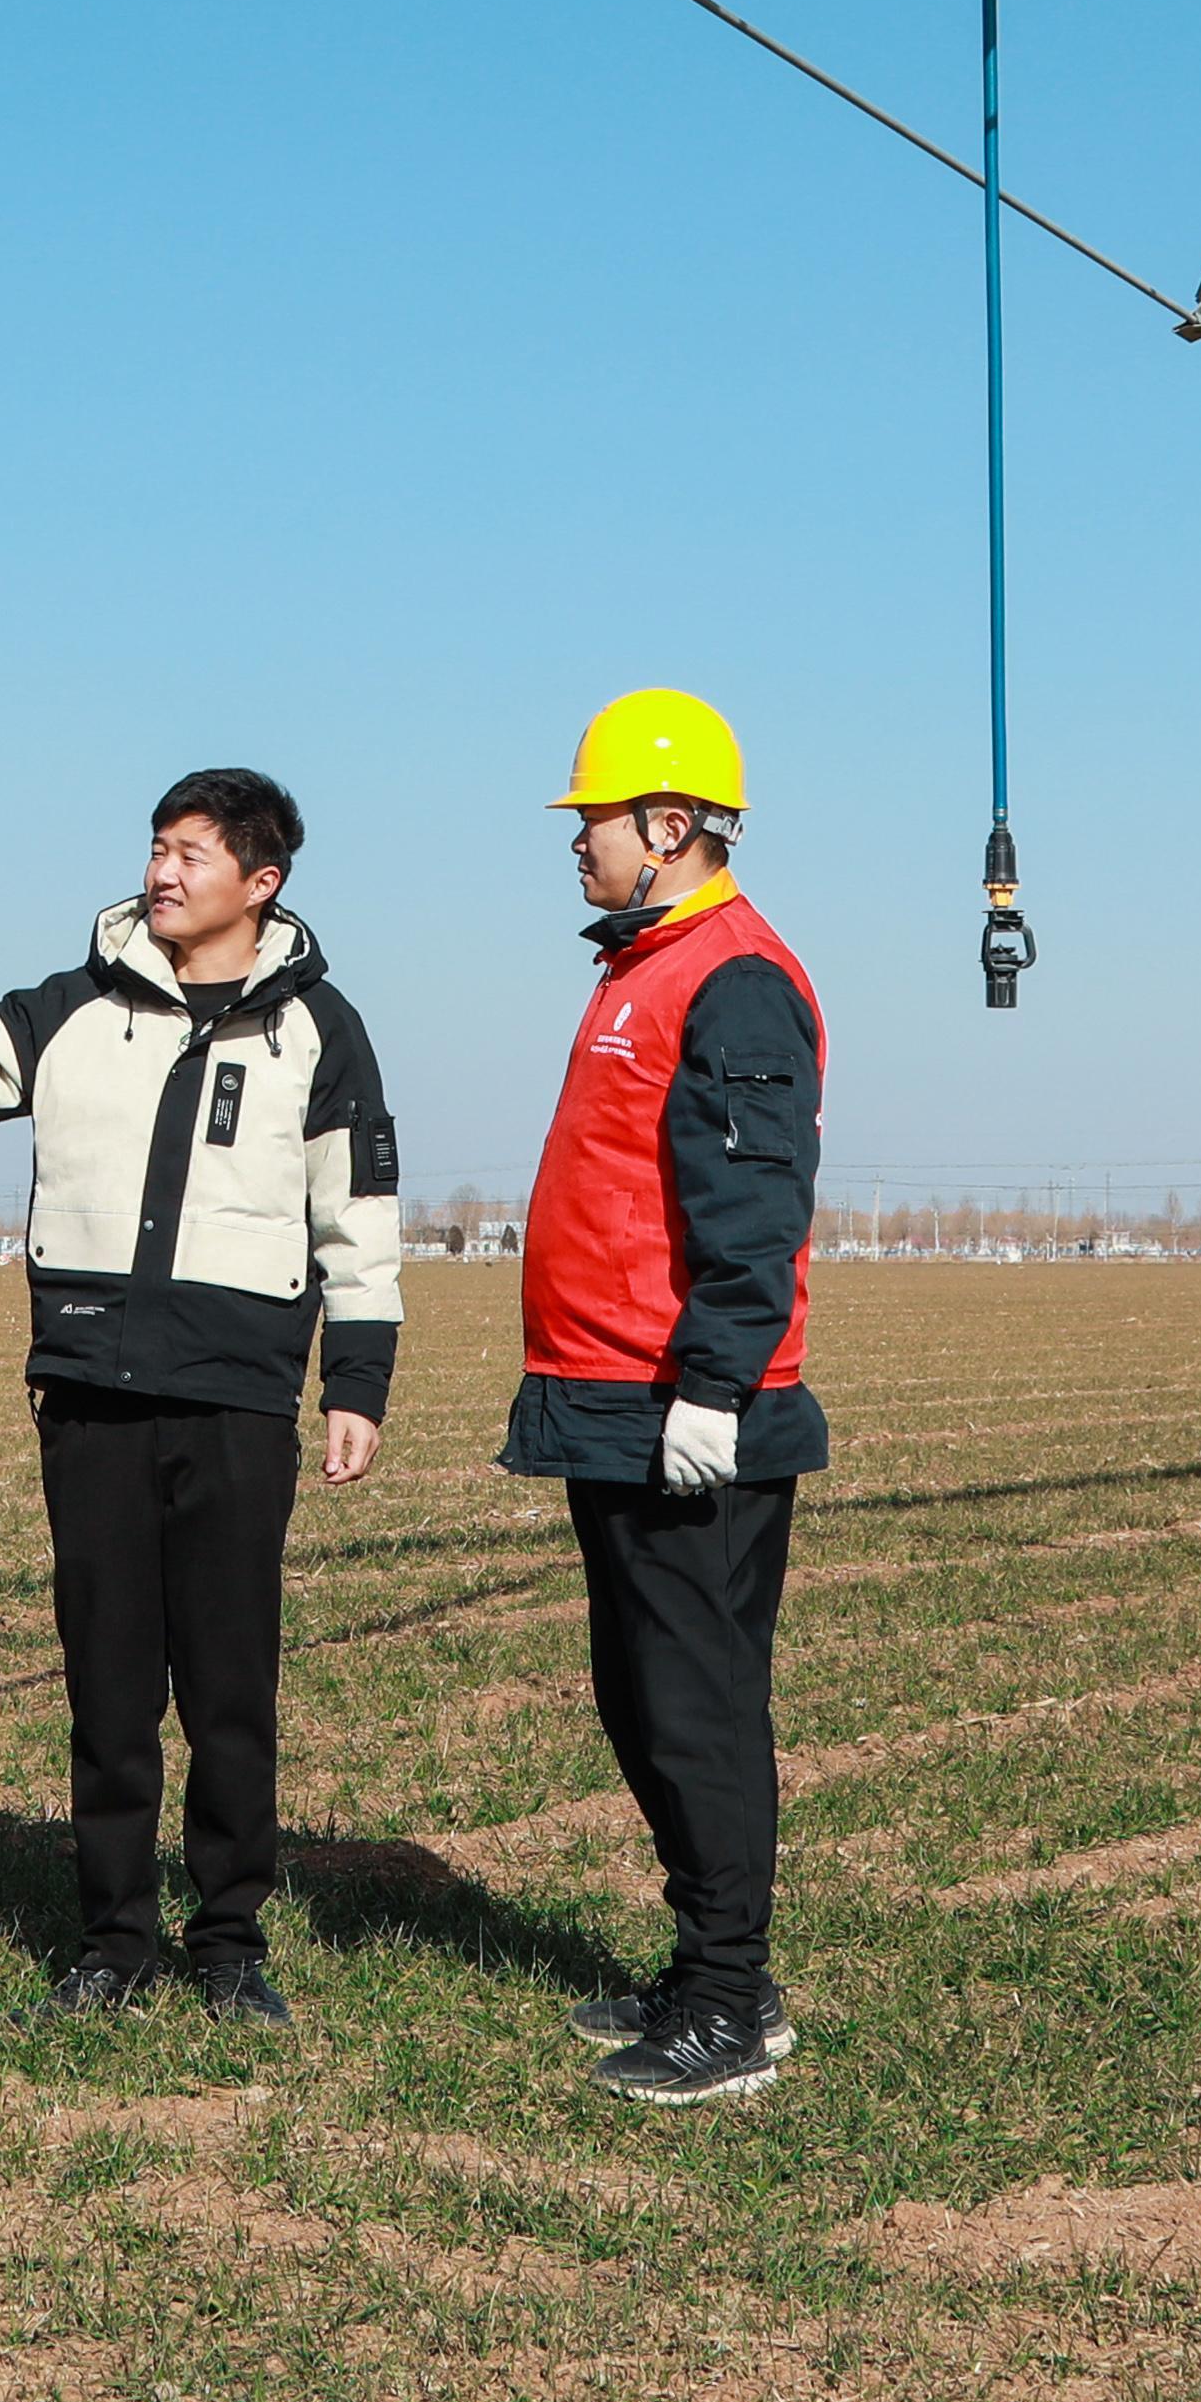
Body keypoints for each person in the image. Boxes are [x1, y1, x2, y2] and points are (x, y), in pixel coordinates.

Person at [0, 768, 403, 2024]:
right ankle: (111, 1937)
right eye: (155, 847)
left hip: (235, 1400)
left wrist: (357, 1379)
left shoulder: (320, 1030)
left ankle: (229, 1937)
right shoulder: (68, 1006)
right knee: (108, 1685)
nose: (161, 871)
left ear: (258, 880)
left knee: (231, 1687)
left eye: (190, 853)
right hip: (91, 1392)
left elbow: (358, 1219)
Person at [499, 686, 826, 2107]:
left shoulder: (730, 976)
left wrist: (712, 1382)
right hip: (605, 1397)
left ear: (671, 821)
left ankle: (725, 2000)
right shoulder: (642, 963)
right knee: (641, 1696)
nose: (579, 843)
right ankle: (706, 1968)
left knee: (693, 1706)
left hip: (678, 1407)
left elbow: (753, 1203)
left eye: (597, 820)